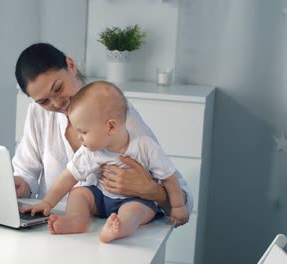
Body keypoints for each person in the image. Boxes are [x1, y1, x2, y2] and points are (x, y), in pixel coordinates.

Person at [13, 43, 193, 227]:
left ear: (71, 66)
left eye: (58, 88)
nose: (57, 103)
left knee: (133, 211)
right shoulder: (38, 113)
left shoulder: (117, 116)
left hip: (110, 231)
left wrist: (153, 192)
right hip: (55, 225)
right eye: (44, 101)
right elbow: (26, 171)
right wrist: (18, 184)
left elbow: (184, 199)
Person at [21, 81, 189, 243]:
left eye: (84, 132)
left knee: (134, 211)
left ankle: (120, 228)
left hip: (136, 200)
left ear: (110, 127)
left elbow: (169, 178)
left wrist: (178, 207)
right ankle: (76, 220)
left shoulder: (145, 147)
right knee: (79, 193)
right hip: (102, 198)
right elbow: (68, 177)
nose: (80, 137)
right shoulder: (90, 151)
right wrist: (47, 202)